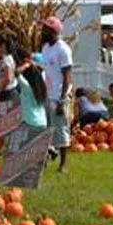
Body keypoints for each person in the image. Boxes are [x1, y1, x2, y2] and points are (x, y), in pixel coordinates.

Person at [40, 16, 73, 173]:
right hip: (47, 94)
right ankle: (48, 155)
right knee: (46, 128)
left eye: (46, 29)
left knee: (61, 129)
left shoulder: (63, 49)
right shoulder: (45, 48)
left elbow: (67, 75)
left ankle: (63, 164)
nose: (42, 32)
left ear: (54, 31)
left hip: (59, 95)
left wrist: (62, 99)